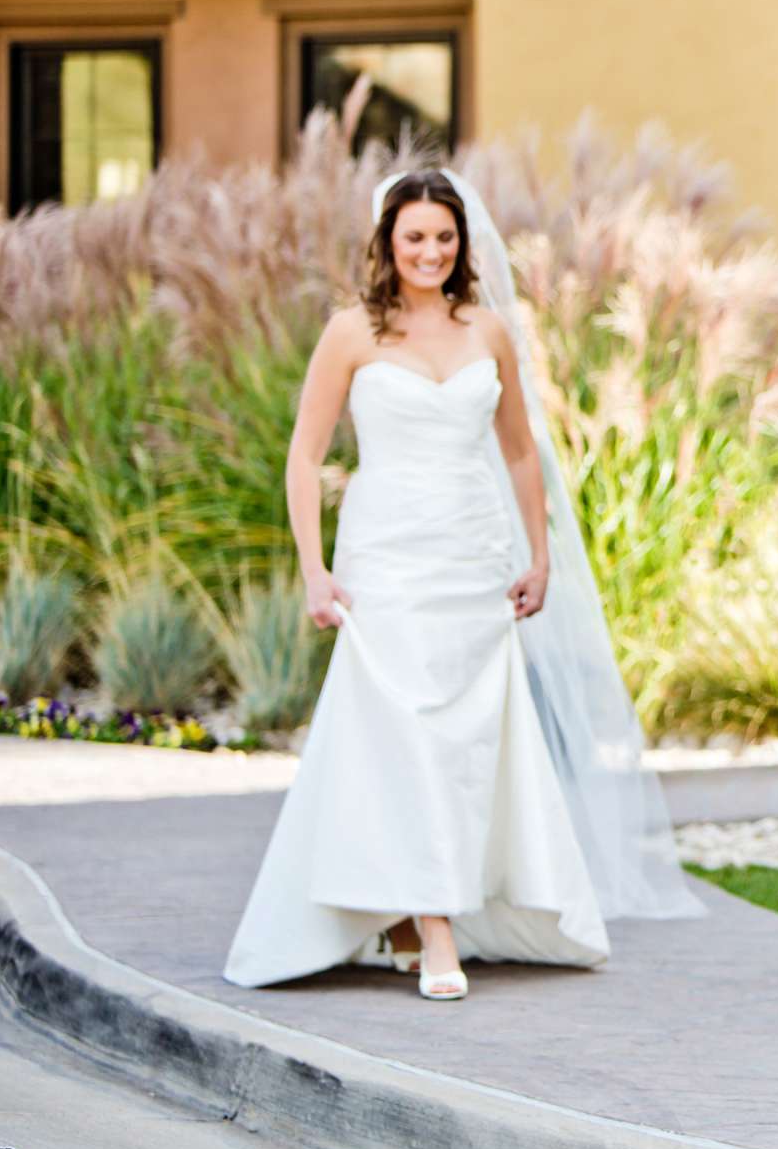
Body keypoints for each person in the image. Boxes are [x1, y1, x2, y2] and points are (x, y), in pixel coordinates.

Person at [223, 168, 700, 999]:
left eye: (444, 237)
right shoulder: (351, 334)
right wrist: (313, 567)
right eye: (414, 237)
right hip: (387, 558)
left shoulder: (491, 333)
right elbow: (305, 456)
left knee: (465, 743)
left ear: (462, 243)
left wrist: (539, 556)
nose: (431, 252)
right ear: (387, 243)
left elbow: (521, 451)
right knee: (405, 735)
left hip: (473, 558)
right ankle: (435, 925)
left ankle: (415, 914)